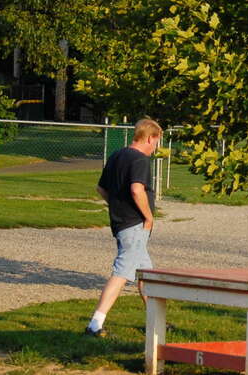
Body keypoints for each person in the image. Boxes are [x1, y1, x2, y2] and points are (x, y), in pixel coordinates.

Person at [85, 118, 162, 337]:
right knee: (122, 272)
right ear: (150, 138)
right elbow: (137, 190)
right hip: (135, 224)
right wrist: (148, 217)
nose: (156, 147)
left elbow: (101, 188)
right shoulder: (140, 159)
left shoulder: (117, 155)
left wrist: (117, 205)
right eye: (157, 142)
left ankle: (156, 321)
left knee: (146, 274)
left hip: (120, 222)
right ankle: (95, 324)